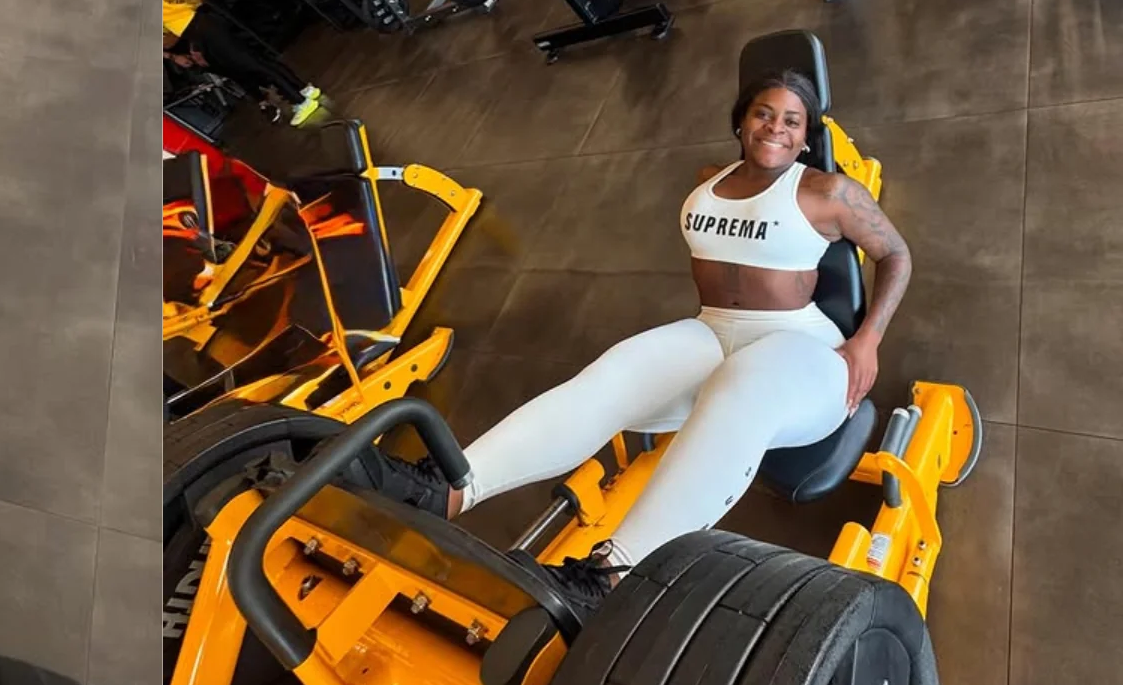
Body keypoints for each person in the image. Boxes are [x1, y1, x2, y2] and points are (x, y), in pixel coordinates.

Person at [354, 72, 911, 619]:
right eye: (764, 114)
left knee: (743, 389)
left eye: (792, 121)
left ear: (806, 136)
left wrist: (868, 340)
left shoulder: (828, 192)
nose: (776, 129)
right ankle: (450, 488)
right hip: (714, 332)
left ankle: (610, 578)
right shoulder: (709, 179)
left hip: (804, 352)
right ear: (741, 120)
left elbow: (896, 256)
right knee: (609, 379)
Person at [164, 0, 326, 125]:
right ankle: (303, 90)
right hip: (204, 22)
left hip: (201, 28)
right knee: (258, 61)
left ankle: (300, 101)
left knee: (253, 65)